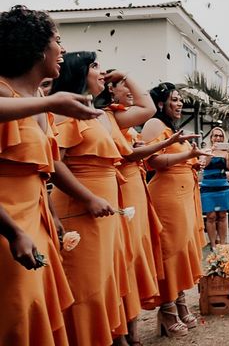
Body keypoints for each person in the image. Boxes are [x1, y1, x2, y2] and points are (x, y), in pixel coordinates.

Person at [0, 5, 74, 345]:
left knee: (38, 316)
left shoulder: (40, 98)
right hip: (7, 229)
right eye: (58, 41)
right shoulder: (3, 92)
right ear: (38, 47)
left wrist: (53, 215)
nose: (63, 50)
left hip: (37, 222)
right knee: (17, 320)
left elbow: (41, 172)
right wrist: (13, 232)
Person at [49, 51, 131, 346]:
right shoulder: (66, 113)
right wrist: (89, 199)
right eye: (95, 66)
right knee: (87, 288)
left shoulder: (94, 115)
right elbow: (54, 164)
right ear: (79, 72)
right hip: (81, 210)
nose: (102, 73)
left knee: (105, 281)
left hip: (104, 213)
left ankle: (112, 338)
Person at [100, 70, 171, 345]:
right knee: (127, 258)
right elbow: (149, 106)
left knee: (137, 255)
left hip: (137, 188)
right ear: (109, 91)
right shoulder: (111, 117)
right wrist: (127, 75)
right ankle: (124, 336)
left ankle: (132, 331)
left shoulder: (125, 124)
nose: (129, 90)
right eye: (121, 86)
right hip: (123, 190)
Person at [141, 82, 209, 338]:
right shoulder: (154, 125)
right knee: (169, 251)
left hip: (185, 194)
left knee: (182, 250)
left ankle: (180, 300)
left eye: (181, 100)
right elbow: (153, 161)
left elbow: (179, 159)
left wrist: (196, 161)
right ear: (161, 103)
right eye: (174, 99)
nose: (179, 103)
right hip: (167, 196)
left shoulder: (172, 128)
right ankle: (167, 308)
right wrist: (187, 155)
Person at [200, 127, 229, 245]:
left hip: (222, 184)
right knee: (211, 215)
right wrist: (211, 152)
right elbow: (204, 165)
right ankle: (213, 244)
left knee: (222, 215)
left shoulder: (225, 152)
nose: (218, 138)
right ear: (211, 137)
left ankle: (223, 244)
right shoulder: (205, 150)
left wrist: (228, 155)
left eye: (220, 136)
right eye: (215, 136)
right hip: (208, 186)